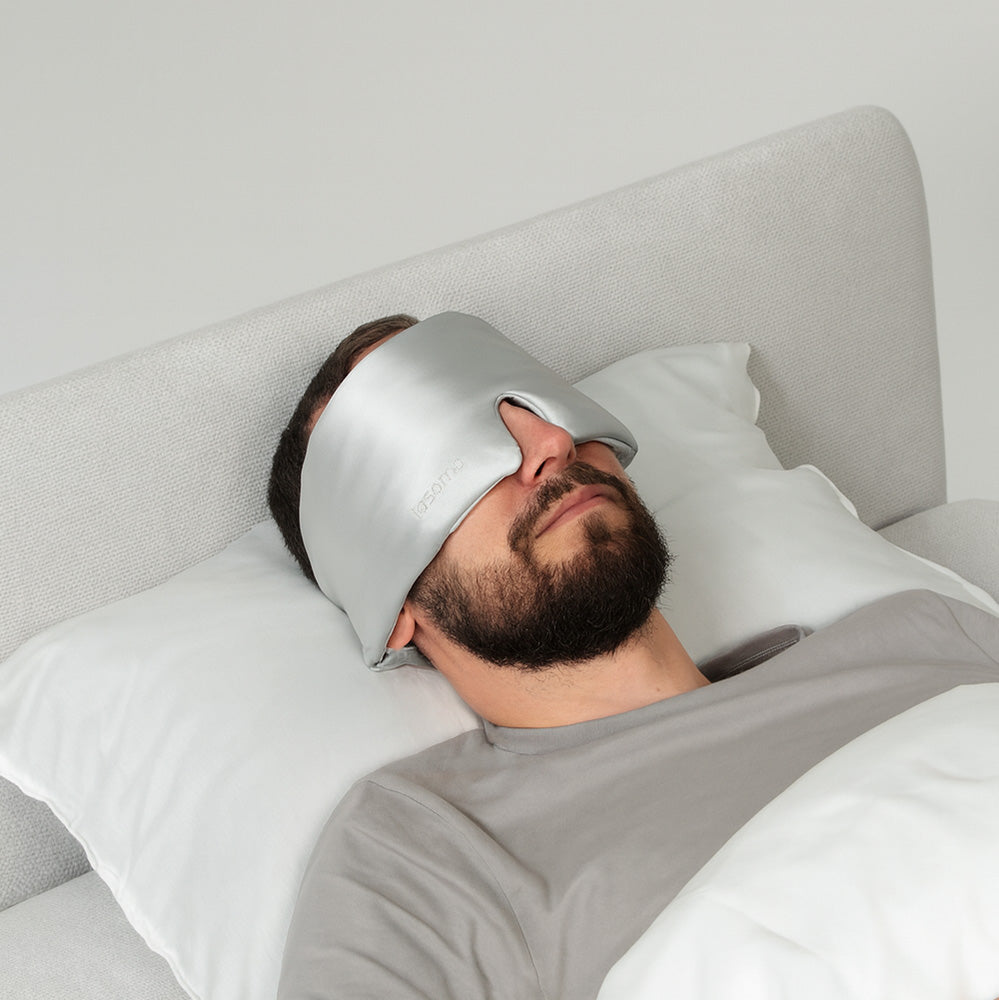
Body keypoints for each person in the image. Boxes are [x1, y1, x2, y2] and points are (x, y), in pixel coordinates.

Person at [270, 314, 999, 999]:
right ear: (391, 609)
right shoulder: (426, 854)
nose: (549, 443)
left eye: (530, 403)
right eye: (448, 448)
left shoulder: (920, 635)